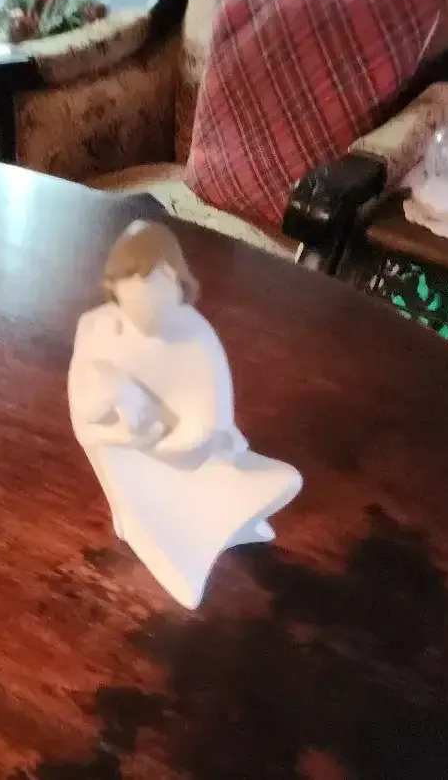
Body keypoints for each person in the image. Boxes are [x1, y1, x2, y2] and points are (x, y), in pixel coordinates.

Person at [68, 220, 302, 608]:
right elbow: (85, 410)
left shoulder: (196, 340)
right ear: (115, 289)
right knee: (151, 519)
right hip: (129, 462)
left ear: (178, 284)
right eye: (135, 297)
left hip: (189, 458)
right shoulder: (97, 329)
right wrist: (118, 405)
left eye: (160, 290)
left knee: (273, 482)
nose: (148, 312)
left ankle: (224, 522)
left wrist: (168, 442)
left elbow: (207, 423)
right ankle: (163, 537)